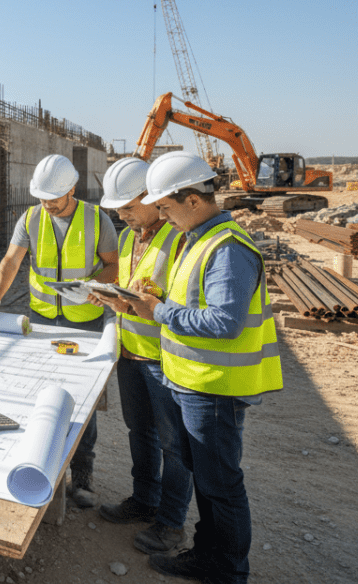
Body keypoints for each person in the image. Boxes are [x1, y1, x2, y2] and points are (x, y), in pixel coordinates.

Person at [125, 151, 283, 584]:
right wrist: (158, 298)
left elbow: (224, 323)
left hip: (215, 389)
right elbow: (195, 303)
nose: (161, 216)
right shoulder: (201, 239)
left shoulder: (228, 248)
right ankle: (208, 556)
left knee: (222, 488)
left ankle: (227, 570)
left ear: (193, 200)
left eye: (166, 207)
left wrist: (158, 311)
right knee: (210, 486)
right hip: (195, 384)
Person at [0, 153, 118, 507]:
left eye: (54, 198)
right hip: (42, 321)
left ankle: (83, 475)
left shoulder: (97, 219)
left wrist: (93, 287)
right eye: (42, 198)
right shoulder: (32, 217)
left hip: (84, 321)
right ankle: (40, 462)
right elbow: (11, 261)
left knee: (81, 401)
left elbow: (114, 266)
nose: (48, 204)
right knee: (42, 394)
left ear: (71, 190)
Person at [88, 158, 193, 556]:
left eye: (128, 207)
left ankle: (170, 524)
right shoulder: (133, 236)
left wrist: (142, 305)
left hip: (165, 359)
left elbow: (181, 303)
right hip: (132, 352)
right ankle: (144, 500)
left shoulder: (180, 237)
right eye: (118, 209)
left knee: (174, 445)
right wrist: (112, 296)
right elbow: (134, 285)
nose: (121, 215)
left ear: (152, 198)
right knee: (141, 433)